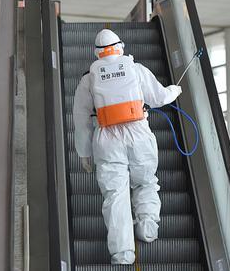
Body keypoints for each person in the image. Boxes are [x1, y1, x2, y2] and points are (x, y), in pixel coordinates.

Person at [72, 29, 182, 264]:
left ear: (97, 54)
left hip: (107, 140)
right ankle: (147, 227)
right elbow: (160, 97)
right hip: (139, 134)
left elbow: (80, 119)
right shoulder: (136, 69)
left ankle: (122, 253)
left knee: (115, 195)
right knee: (145, 182)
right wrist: (176, 90)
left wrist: (84, 153)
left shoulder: (88, 79)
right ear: (120, 47)